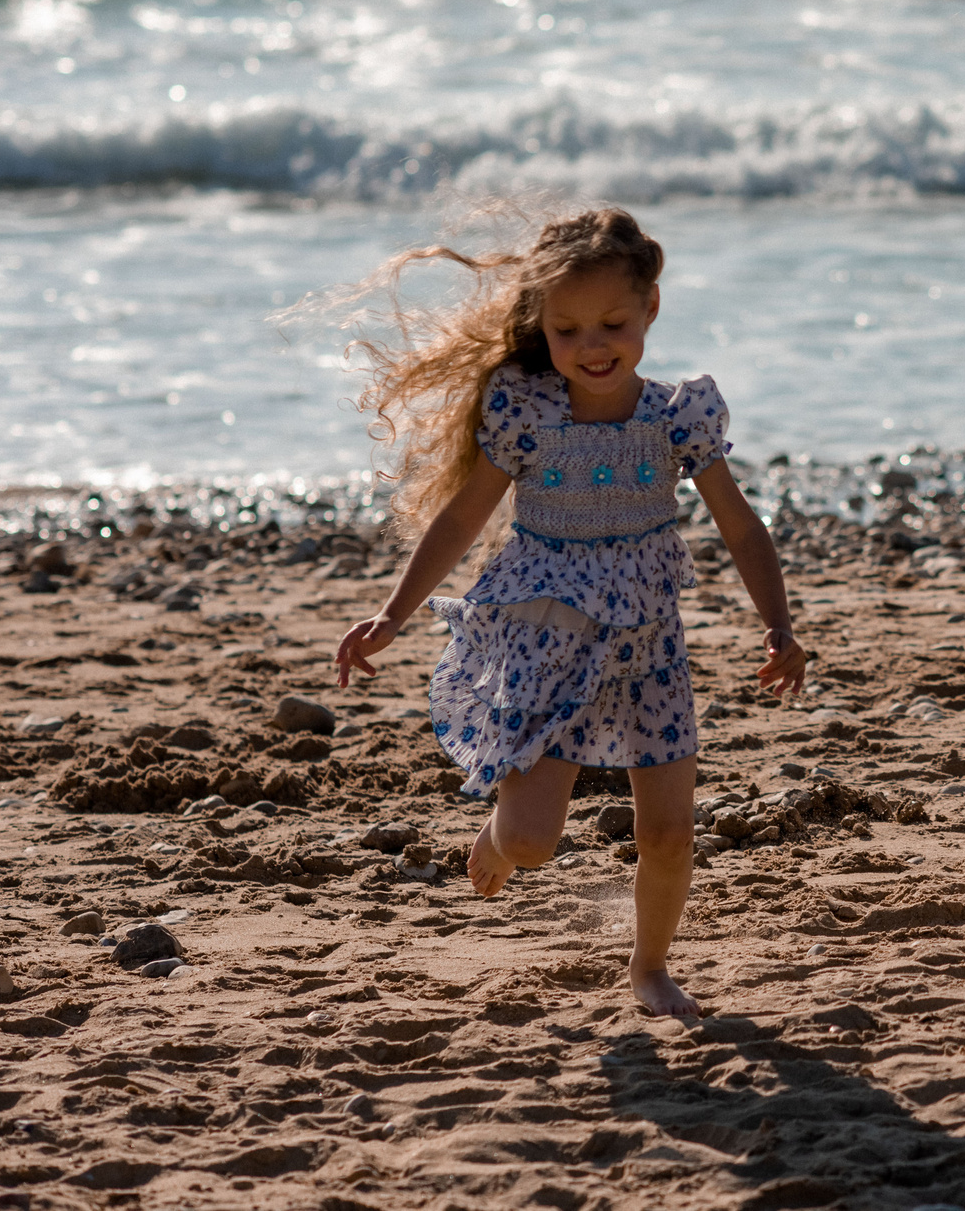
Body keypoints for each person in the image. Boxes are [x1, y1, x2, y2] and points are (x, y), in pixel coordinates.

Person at [324, 206, 805, 1019]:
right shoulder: (529, 415)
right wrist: (391, 613)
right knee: (533, 843)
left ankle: (649, 967)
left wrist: (779, 624)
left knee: (669, 833)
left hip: (650, 648)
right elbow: (463, 516)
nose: (592, 346)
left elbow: (740, 523)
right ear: (540, 328)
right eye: (566, 330)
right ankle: (498, 836)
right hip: (546, 644)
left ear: (651, 306)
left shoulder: (676, 418)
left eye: (613, 322)